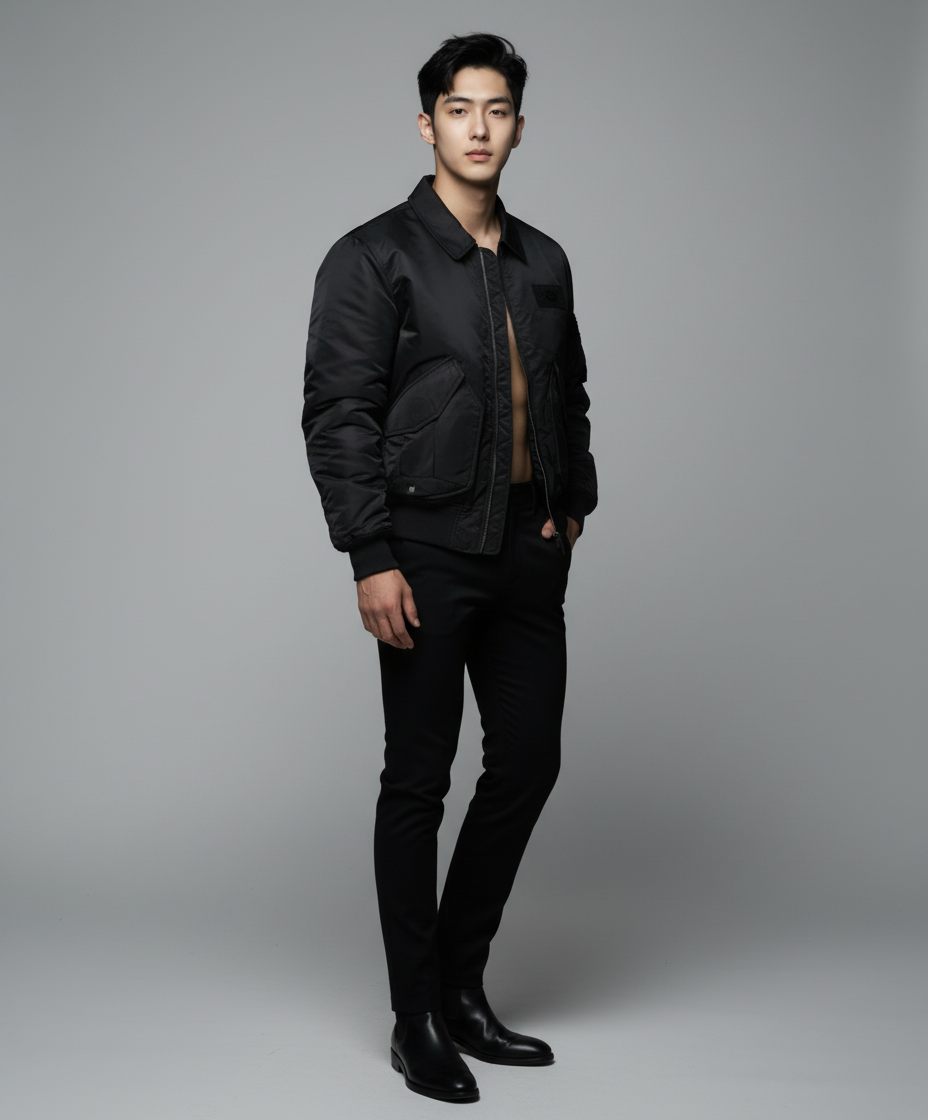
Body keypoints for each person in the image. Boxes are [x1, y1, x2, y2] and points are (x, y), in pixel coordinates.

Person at [301, 32, 598, 1103]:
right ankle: (414, 1016)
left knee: (527, 763)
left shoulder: (544, 259)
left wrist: (572, 503)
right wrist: (370, 554)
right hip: (423, 550)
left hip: (526, 547)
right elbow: (338, 413)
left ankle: (464, 989)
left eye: (498, 109)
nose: (480, 127)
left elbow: (566, 392)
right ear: (426, 124)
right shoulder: (372, 255)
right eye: (460, 109)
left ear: (519, 126)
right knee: (417, 781)